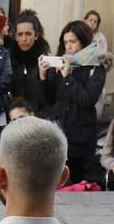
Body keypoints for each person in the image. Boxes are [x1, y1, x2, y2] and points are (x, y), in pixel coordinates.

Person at [39, 20, 105, 183]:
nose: (68, 46)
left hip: (80, 134)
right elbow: (48, 100)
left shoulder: (95, 68)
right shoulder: (60, 63)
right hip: (58, 130)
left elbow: (87, 99)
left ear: (83, 41)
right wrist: (42, 77)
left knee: (75, 182)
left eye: (72, 42)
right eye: (65, 42)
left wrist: (68, 77)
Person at [7, 10, 49, 112]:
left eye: (28, 34)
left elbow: (49, 97)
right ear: (15, 36)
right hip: (13, 117)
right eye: (20, 34)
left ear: (36, 35)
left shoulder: (45, 62)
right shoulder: (8, 60)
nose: (24, 39)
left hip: (38, 117)